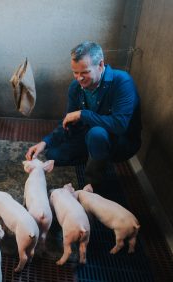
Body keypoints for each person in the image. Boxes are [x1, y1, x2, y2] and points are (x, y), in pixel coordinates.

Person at [25, 41, 142, 190]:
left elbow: (120, 125)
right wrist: (45, 142)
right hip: (90, 134)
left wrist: (83, 114)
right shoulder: (76, 87)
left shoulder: (122, 81)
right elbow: (69, 122)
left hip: (121, 141)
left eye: (84, 72)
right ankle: (95, 155)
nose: (79, 78)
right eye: (75, 72)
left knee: (97, 134)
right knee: (54, 154)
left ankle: (92, 187)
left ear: (100, 65)